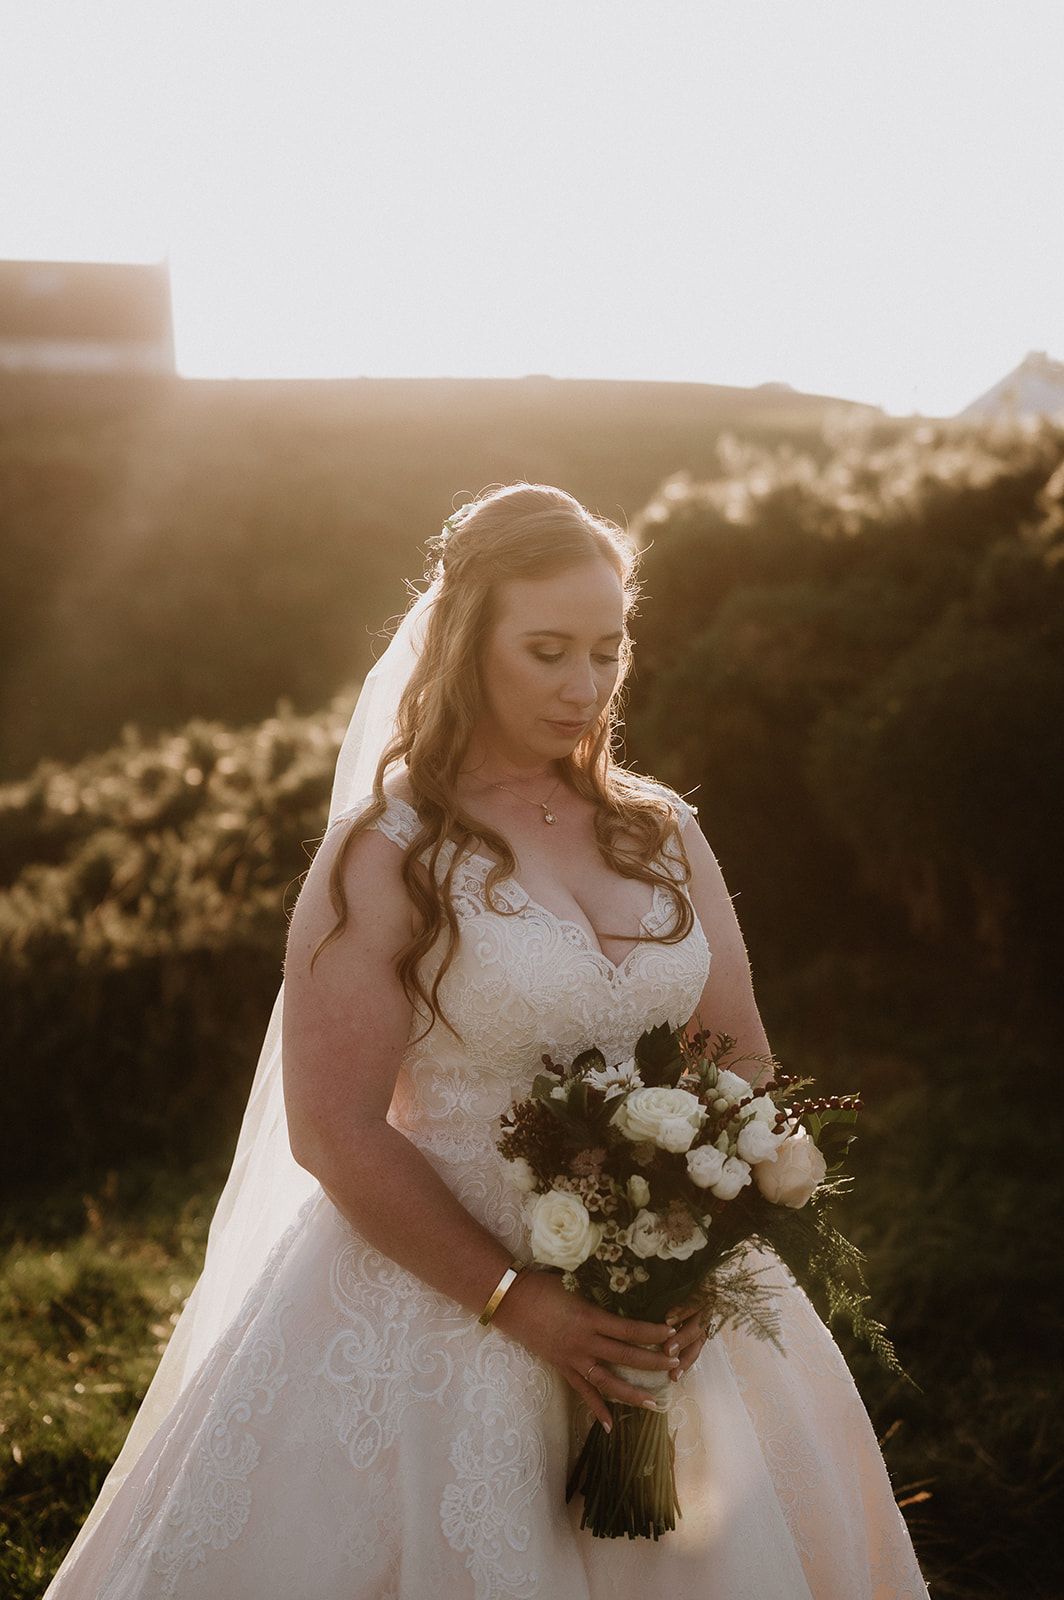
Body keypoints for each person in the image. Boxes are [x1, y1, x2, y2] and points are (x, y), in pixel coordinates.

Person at [44, 483, 931, 1598]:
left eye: (607, 651)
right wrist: (522, 1302)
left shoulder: (660, 830)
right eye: (547, 650)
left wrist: (701, 1253)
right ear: (468, 642)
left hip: (671, 1307)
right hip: (443, 1294)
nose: (584, 686)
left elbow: (740, 1055)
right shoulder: (390, 851)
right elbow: (332, 1126)